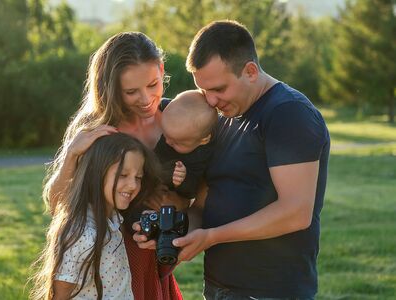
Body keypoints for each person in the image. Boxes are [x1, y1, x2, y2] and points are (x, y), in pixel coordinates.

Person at [137, 20, 331, 299]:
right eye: (204, 91)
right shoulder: (224, 118)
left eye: (219, 89)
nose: (212, 101)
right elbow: (203, 204)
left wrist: (213, 237)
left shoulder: (288, 113)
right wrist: (175, 236)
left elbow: (296, 212)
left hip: (270, 290)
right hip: (219, 286)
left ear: (250, 71)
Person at [42, 32, 184, 300]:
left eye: (153, 84)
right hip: (112, 259)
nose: (146, 99)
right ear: (111, 88)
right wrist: (72, 153)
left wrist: (172, 207)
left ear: (162, 70)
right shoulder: (98, 130)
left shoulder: (178, 119)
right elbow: (56, 204)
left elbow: (198, 195)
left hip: (157, 255)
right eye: (131, 92)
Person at [31, 133, 160, 300]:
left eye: (138, 177)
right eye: (123, 175)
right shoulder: (83, 234)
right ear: (97, 173)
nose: (133, 185)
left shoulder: (113, 218)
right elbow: (60, 295)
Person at [155, 89, 218, 199]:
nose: (167, 142)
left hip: (170, 183)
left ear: (203, 140)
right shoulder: (171, 109)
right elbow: (156, 104)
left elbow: (193, 189)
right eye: (165, 134)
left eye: (176, 142)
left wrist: (183, 179)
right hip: (154, 160)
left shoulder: (202, 156)